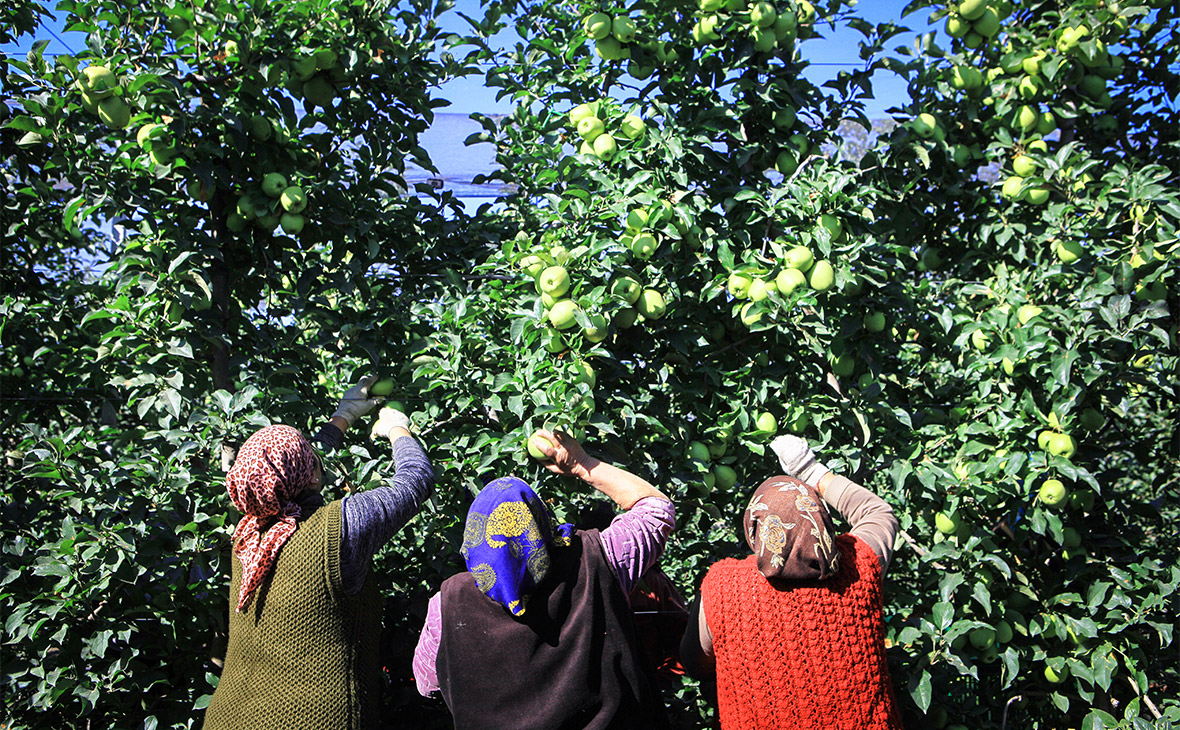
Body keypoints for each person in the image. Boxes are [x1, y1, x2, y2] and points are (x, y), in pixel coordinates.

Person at [203, 376, 435, 730]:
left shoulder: (248, 534)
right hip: (311, 720)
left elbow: (291, 467)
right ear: (308, 474)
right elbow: (415, 480)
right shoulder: (339, 530)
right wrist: (397, 429)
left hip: (226, 717)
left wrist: (343, 416)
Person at [413, 429, 674, 730]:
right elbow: (656, 510)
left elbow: (427, 684)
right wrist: (581, 464)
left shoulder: (447, 605)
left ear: (474, 535)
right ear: (540, 521)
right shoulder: (595, 561)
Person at [679, 435, 904, 730]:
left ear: (754, 529)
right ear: (819, 517)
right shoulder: (858, 565)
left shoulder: (723, 588)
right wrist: (811, 470)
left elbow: (694, 663)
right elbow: (878, 513)